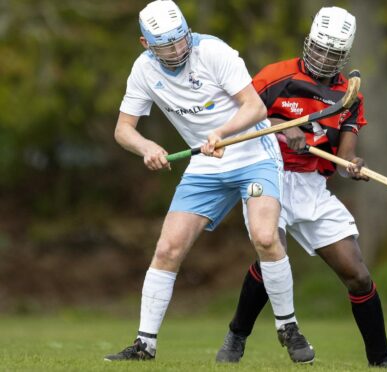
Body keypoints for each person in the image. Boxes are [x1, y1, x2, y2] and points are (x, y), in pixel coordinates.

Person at [104, 0, 314, 364]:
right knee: (168, 248)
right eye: (165, 45)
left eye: (180, 40)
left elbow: (255, 108)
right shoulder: (142, 70)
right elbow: (124, 129)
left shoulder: (213, 51)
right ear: (145, 44)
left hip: (253, 153)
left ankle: (288, 326)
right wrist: (146, 147)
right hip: (205, 164)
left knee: (265, 237)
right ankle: (144, 344)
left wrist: (220, 131)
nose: (176, 50)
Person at [215, 6, 387, 369]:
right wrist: (285, 127)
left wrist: (353, 165)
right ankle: (237, 334)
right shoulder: (275, 76)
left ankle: (381, 360)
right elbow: (243, 114)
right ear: (308, 42)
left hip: (312, 187)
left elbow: (345, 155)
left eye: (333, 54)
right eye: (318, 49)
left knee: (358, 274)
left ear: (344, 56)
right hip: (266, 175)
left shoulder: (348, 95)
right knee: (273, 253)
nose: (323, 58)